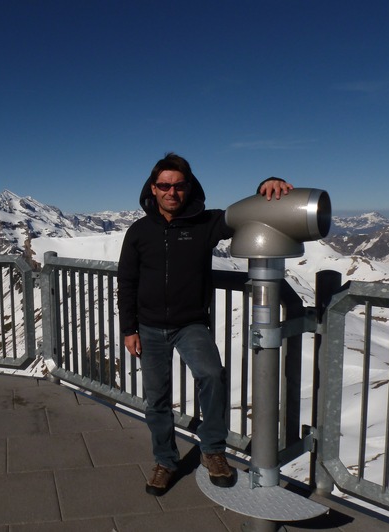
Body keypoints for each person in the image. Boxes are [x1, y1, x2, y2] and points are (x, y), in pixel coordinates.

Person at [117, 152, 292, 496]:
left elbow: (243, 214)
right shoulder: (139, 231)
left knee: (212, 375)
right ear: (153, 188)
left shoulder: (206, 223)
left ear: (189, 187)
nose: (172, 192)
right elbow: (127, 281)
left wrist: (266, 186)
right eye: (164, 185)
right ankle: (166, 461)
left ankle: (212, 451)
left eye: (179, 185)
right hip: (149, 327)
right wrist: (129, 329)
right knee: (157, 399)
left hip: (191, 324)